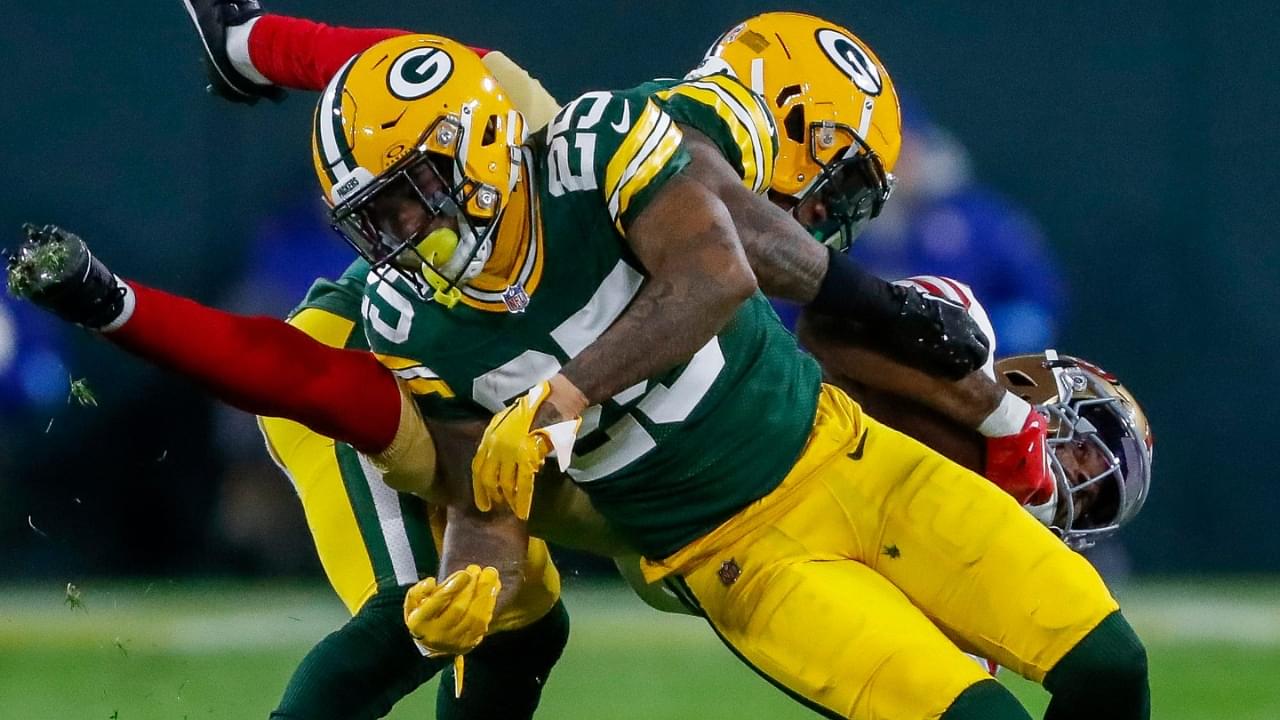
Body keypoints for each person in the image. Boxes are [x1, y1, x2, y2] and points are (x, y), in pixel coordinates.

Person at [291, 23, 1144, 719]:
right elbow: (488, 495)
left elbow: (732, 274)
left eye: (411, 194)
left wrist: (567, 394)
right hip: (730, 553)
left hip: (848, 459)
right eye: (376, 217)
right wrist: (471, 581)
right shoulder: (418, 310)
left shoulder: (597, 155)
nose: (399, 230)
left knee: (1110, 664)